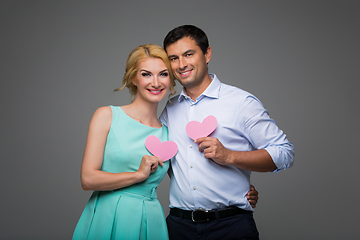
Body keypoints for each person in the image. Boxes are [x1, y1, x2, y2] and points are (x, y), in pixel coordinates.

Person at [160, 25, 295, 240]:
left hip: (230, 226)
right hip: (178, 227)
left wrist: (230, 156)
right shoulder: (169, 110)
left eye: (188, 54)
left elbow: (284, 153)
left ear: (207, 54)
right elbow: (165, 162)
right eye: (173, 58)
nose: (182, 64)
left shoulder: (241, 102)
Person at [72, 44, 176, 239]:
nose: (156, 82)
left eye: (163, 74)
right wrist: (137, 175)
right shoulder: (107, 115)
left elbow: (191, 178)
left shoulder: (169, 134)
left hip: (149, 220)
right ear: (133, 78)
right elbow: (88, 179)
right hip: (108, 214)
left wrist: (241, 192)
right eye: (146, 74)